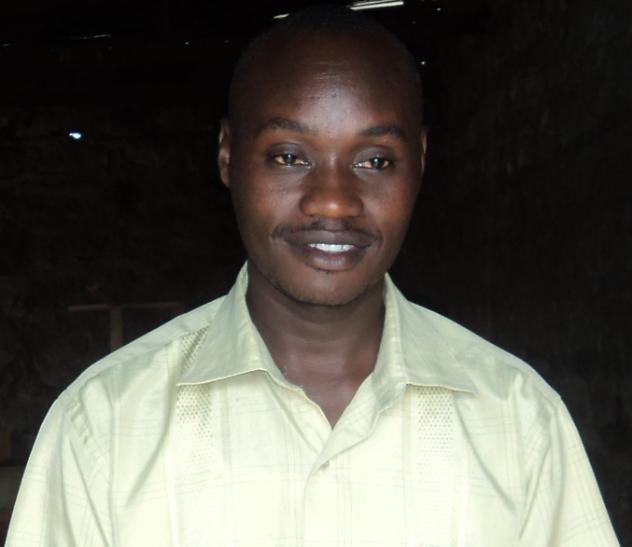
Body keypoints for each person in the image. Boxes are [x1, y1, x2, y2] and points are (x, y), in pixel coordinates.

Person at [6, 5, 619, 546]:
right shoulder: (104, 424)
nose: (333, 200)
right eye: (289, 156)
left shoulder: (519, 420)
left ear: (420, 163)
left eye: (375, 160)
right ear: (227, 155)